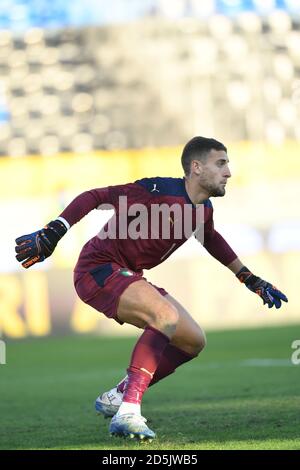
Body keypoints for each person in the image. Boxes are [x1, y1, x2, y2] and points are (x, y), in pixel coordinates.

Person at [15, 136, 288, 442]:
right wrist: (56, 229)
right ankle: (128, 412)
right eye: (221, 163)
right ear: (196, 167)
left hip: (129, 274)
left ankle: (119, 394)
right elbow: (95, 196)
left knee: (192, 341)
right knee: (165, 315)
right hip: (98, 268)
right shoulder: (155, 191)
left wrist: (250, 279)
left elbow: (211, 239)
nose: (228, 172)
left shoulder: (203, 209)